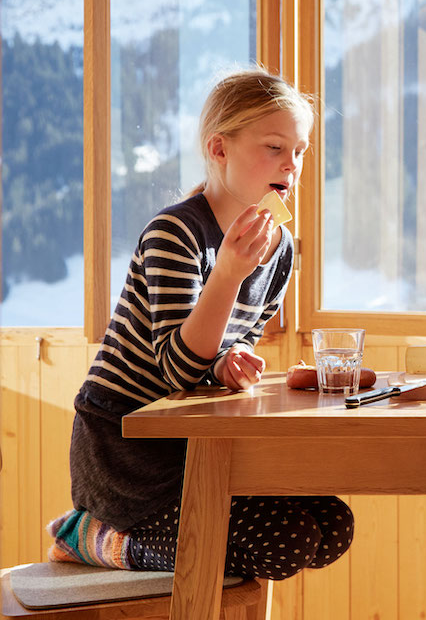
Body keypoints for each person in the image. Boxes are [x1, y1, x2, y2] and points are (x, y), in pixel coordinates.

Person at [57, 69, 353, 580]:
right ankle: (95, 536)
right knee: (288, 542)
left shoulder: (277, 248)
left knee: (332, 523)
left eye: (300, 150)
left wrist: (231, 364)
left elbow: (216, 359)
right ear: (219, 149)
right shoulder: (176, 232)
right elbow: (177, 369)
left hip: (196, 442)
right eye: (275, 147)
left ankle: (177, 549)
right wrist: (230, 273)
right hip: (128, 452)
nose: (293, 164)